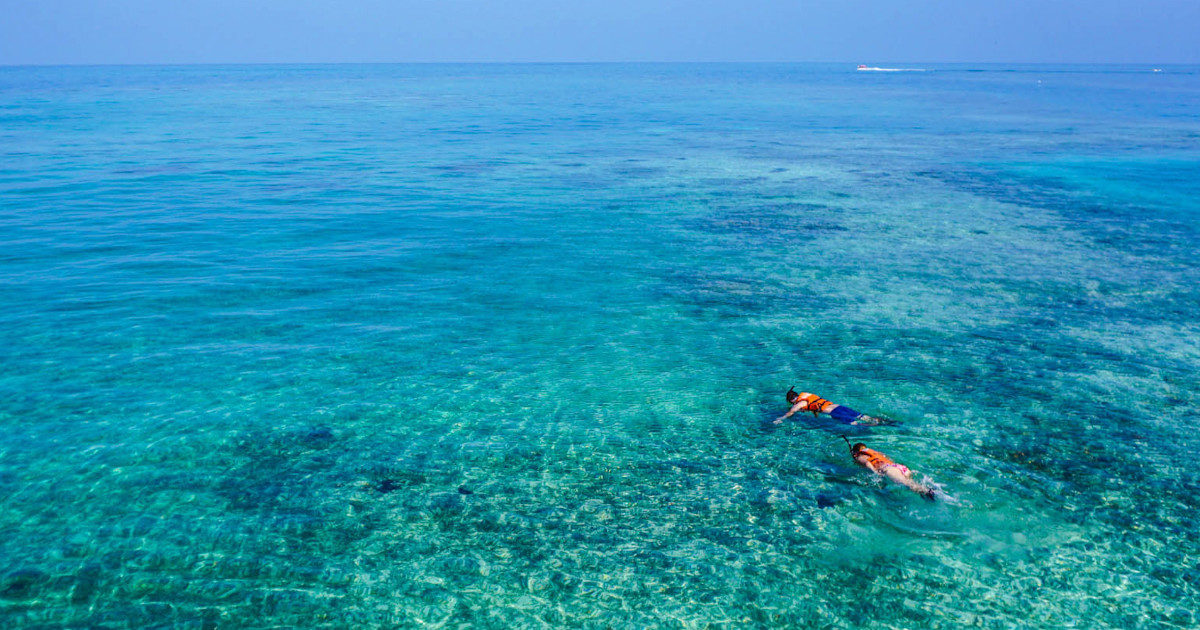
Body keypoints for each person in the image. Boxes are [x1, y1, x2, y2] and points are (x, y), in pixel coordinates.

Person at [847, 439, 935, 500]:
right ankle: (923, 491)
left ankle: (927, 491)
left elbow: (867, 463)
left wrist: (875, 473)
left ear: (855, 452)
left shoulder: (860, 456)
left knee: (908, 484)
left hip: (889, 469)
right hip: (900, 467)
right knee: (910, 483)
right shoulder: (876, 453)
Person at [774, 386, 887, 425]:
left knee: (855, 424)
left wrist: (780, 418)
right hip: (839, 406)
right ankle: (885, 421)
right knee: (863, 417)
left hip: (834, 413)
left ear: (792, 401)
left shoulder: (800, 403)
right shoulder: (807, 395)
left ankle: (877, 427)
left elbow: (791, 412)